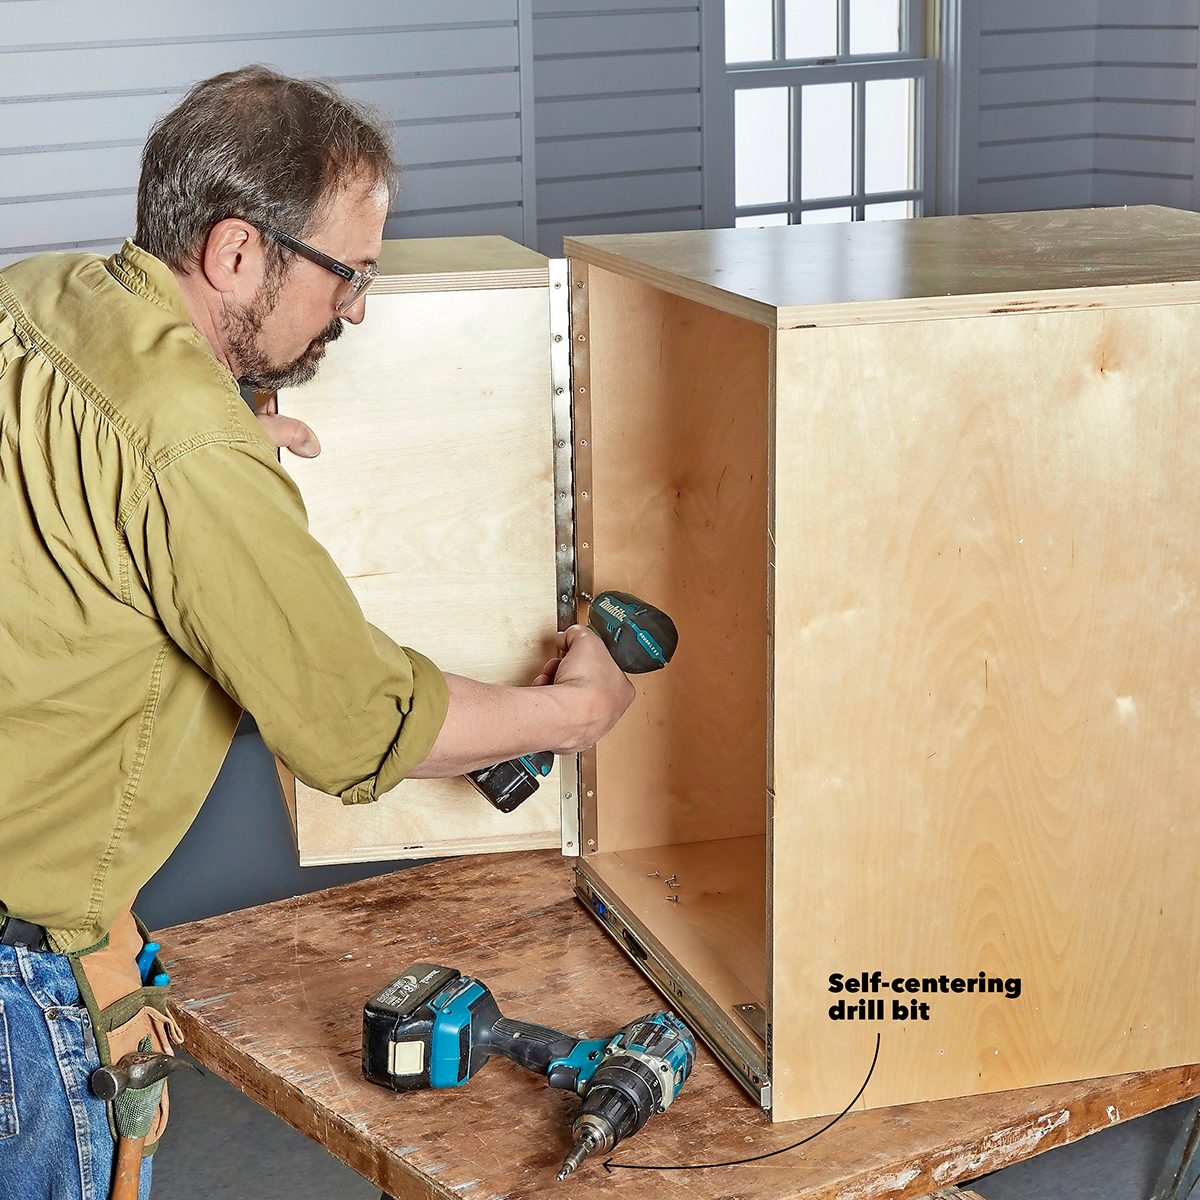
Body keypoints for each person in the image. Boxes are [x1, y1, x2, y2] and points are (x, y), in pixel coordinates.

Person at [0, 66, 633, 1200]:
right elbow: (352, 723)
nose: (353, 311)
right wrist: (576, 712)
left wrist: (227, 414)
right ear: (238, 252)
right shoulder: (190, 455)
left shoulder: (44, 295)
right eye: (347, 276)